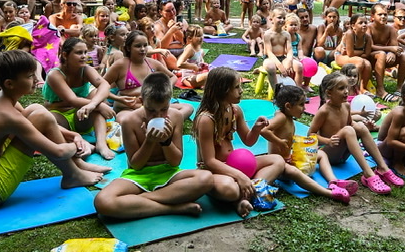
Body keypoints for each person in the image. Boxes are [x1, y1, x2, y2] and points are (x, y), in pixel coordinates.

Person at [0, 50, 107, 211]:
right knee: (41, 115)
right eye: (30, 76)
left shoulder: (2, 100)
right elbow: (58, 152)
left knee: (36, 109)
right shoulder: (6, 115)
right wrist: (79, 145)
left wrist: (73, 135)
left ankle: (75, 170)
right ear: (9, 83)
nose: (36, 80)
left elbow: (34, 119)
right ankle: (73, 174)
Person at [93, 72, 215, 220]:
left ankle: (141, 200)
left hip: (169, 174)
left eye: (163, 109)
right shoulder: (129, 121)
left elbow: (175, 162)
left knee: (206, 178)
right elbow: (136, 165)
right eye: (151, 110)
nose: (157, 116)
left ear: (170, 102)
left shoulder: (175, 117)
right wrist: (149, 142)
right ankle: (172, 208)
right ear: (141, 101)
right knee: (102, 201)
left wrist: (166, 142)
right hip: (138, 176)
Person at [192, 67, 284, 216]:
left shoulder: (235, 110)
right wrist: (240, 176)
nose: (241, 90)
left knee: (278, 161)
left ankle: (247, 191)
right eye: (236, 87)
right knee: (230, 189)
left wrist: (255, 129)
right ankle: (244, 194)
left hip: (234, 165)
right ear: (222, 90)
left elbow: (248, 141)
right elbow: (209, 161)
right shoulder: (206, 119)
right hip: (212, 171)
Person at [307, 71, 402, 194]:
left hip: (343, 154)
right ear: (329, 93)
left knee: (360, 127)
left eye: (347, 87)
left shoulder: (346, 106)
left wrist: (367, 127)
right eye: (341, 88)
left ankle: (383, 168)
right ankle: (368, 174)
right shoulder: (324, 111)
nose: (346, 91)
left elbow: (351, 124)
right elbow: (310, 135)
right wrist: (327, 141)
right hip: (328, 153)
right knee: (348, 130)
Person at [261, 84, 353, 203]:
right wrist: (279, 142)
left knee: (320, 154)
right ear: (288, 106)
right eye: (301, 104)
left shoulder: (287, 116)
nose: (304, 108)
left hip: (289, 159)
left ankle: (333, 181)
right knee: (295, 172)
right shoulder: (281, 118)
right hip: (280, 166)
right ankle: (329, 193)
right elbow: (263, 130)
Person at [42, 36, 117, 161]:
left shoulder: (86, 70)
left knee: (96, 96)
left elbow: (104, 85)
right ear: (65, 55)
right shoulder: (54, 75)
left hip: (81, 113)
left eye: (85, 52)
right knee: (46, 119)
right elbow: (72, 100)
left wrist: (93, 104)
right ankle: (81, 144)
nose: (84, 56)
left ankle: (101, 144)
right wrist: (98, 105)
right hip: (59, 116)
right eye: (79, 53)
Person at [368, 4, 405, 101]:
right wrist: (390, 49)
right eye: (380, 14)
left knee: (403, 57)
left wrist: (393, 53)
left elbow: (395, 46)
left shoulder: (391, 29)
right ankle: (380, 89)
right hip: (370, 56)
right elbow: (370, 47)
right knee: (381, 54)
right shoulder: (369, 28)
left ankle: (399, 88)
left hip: (384, 55)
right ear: (373, 16)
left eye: (385, 14)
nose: (383, 17)